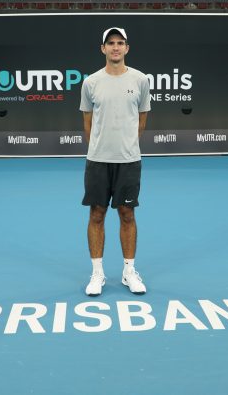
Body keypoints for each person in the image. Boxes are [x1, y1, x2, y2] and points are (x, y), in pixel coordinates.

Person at [80, 27, 151, 296]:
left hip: (129, 160)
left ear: (127, 48)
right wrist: (100, 147)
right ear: (103, 49)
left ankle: (128, 272)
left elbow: (142, 119)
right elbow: (87, 122)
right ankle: (97, 274)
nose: (115, 47)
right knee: (96, 214)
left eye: (120, 43)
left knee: (127, 213)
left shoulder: (141, 80)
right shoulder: (91, 83)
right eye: (110, 43)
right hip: (97, 160)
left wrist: (126, 145)